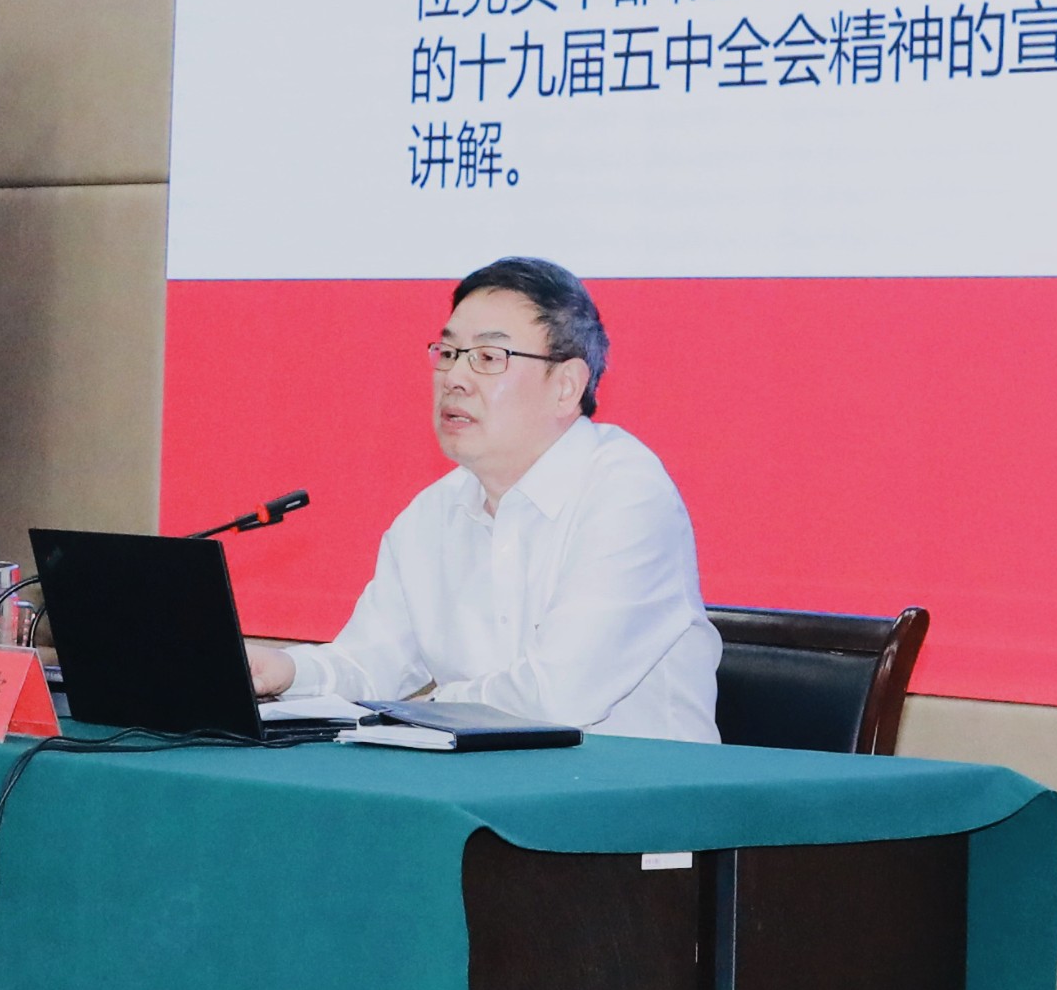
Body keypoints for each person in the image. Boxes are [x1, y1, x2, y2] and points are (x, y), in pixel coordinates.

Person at [249, 257, 718, 740]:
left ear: (566, 387)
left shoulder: (627, 494)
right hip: (494, 779)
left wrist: (414, 712)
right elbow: (373, 660)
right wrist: (285, 671)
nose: (455, 377)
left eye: (489, 358)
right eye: (448, 352)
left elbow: (557, 696)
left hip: (640, 782)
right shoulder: (434, 512)